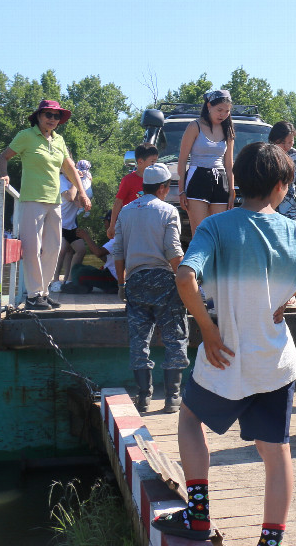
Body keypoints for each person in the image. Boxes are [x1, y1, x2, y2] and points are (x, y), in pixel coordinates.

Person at [153, 142, 296, 545]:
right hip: (274, 361)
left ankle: (197, 513)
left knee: (190, 418)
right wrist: (294, 291)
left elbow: (184, 278)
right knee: (276, 449)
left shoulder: (215, 227)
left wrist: (208, 332)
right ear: (283, 186)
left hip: (223, 353)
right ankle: (271, 539)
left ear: (238, 182)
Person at [0, 99, 91, 311]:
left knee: (54, 248)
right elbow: (3, 157)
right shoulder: (26, 136)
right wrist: (5, 176)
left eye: (56, 116)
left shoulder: (59, 140)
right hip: (32, 200)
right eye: (48, 115)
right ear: (38, 116)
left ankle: (44, 292)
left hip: (55, 201)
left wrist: (83, 194)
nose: (52, 119)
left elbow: (70, 169)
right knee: (32, 249)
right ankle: (33, 295)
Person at [116, 163, 188, 414]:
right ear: (163, 188)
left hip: (135, 281)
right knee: (175, 336)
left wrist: (121, 284)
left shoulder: (126, 211)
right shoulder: (168, 211)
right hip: (164, 281)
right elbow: (174, 252)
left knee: (139, 339)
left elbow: (118, 252)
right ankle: (172, 398)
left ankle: (143, 397)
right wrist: (186, 282)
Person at [178, 90, 236, 234]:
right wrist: (181, 191)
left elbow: (229, 164)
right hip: (198, 177)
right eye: (219, 110)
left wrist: (232, 190)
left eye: (227, 111)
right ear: (209, 106)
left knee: (218, 232)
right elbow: (182, 159)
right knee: (200, 231)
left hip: (220, 180)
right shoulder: (194, 126)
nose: (222, 114)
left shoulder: (228, 130)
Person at [54, 160, 93, 286]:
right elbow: (70, 197)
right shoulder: (61, 180)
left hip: (71, 225)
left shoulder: (75, 182)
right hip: (59, 223)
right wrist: (76, 181)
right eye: (68, 169)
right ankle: (55, 281)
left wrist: (86, 183)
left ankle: (69, 280)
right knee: (63, 249)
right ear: (61, 170)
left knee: (80, 250)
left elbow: (78, 202)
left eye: (72, 169)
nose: (71, 172)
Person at [108, 143, 159, 240]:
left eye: (156, 161)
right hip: (130, 225)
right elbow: (118, 202)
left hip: (150, 225)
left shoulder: (156, 179)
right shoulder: (128, 180)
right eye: (152, 162)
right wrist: (112, 225)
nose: (155, 165)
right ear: (140, 162)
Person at [61, 225, 120, 294]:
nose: (104, 225)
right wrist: (92, 247)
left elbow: (99, 253)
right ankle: (84, 286)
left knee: (80, 273)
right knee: (79, 267)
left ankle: (77, 287)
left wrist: (86, 236)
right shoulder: (121, 238)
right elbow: (106, 259)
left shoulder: (116, 240)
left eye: (105, 222)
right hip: (111, 275)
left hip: (111, 278)